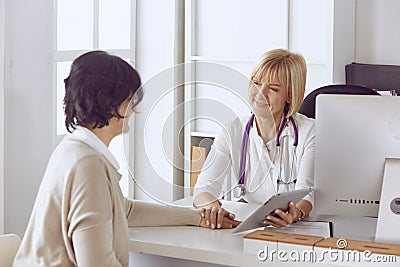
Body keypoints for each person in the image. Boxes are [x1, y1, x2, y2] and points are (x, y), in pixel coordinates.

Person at [13, 51, 239, 267]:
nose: (134, 107)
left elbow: (124, 210)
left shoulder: (76, 151)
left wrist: (195, 217)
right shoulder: (88, 166)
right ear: (110, 102)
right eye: (131, 98)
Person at [193, 48, 314, 228]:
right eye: (256, 83)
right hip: (249, 225)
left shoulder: (309, 132)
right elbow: (203, 188)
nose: (260, 93)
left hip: (298, 229)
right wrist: (212, 207)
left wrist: (295, 213)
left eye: (273, 88)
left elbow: (309, 194)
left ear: (290, 95)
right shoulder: (232, 130)